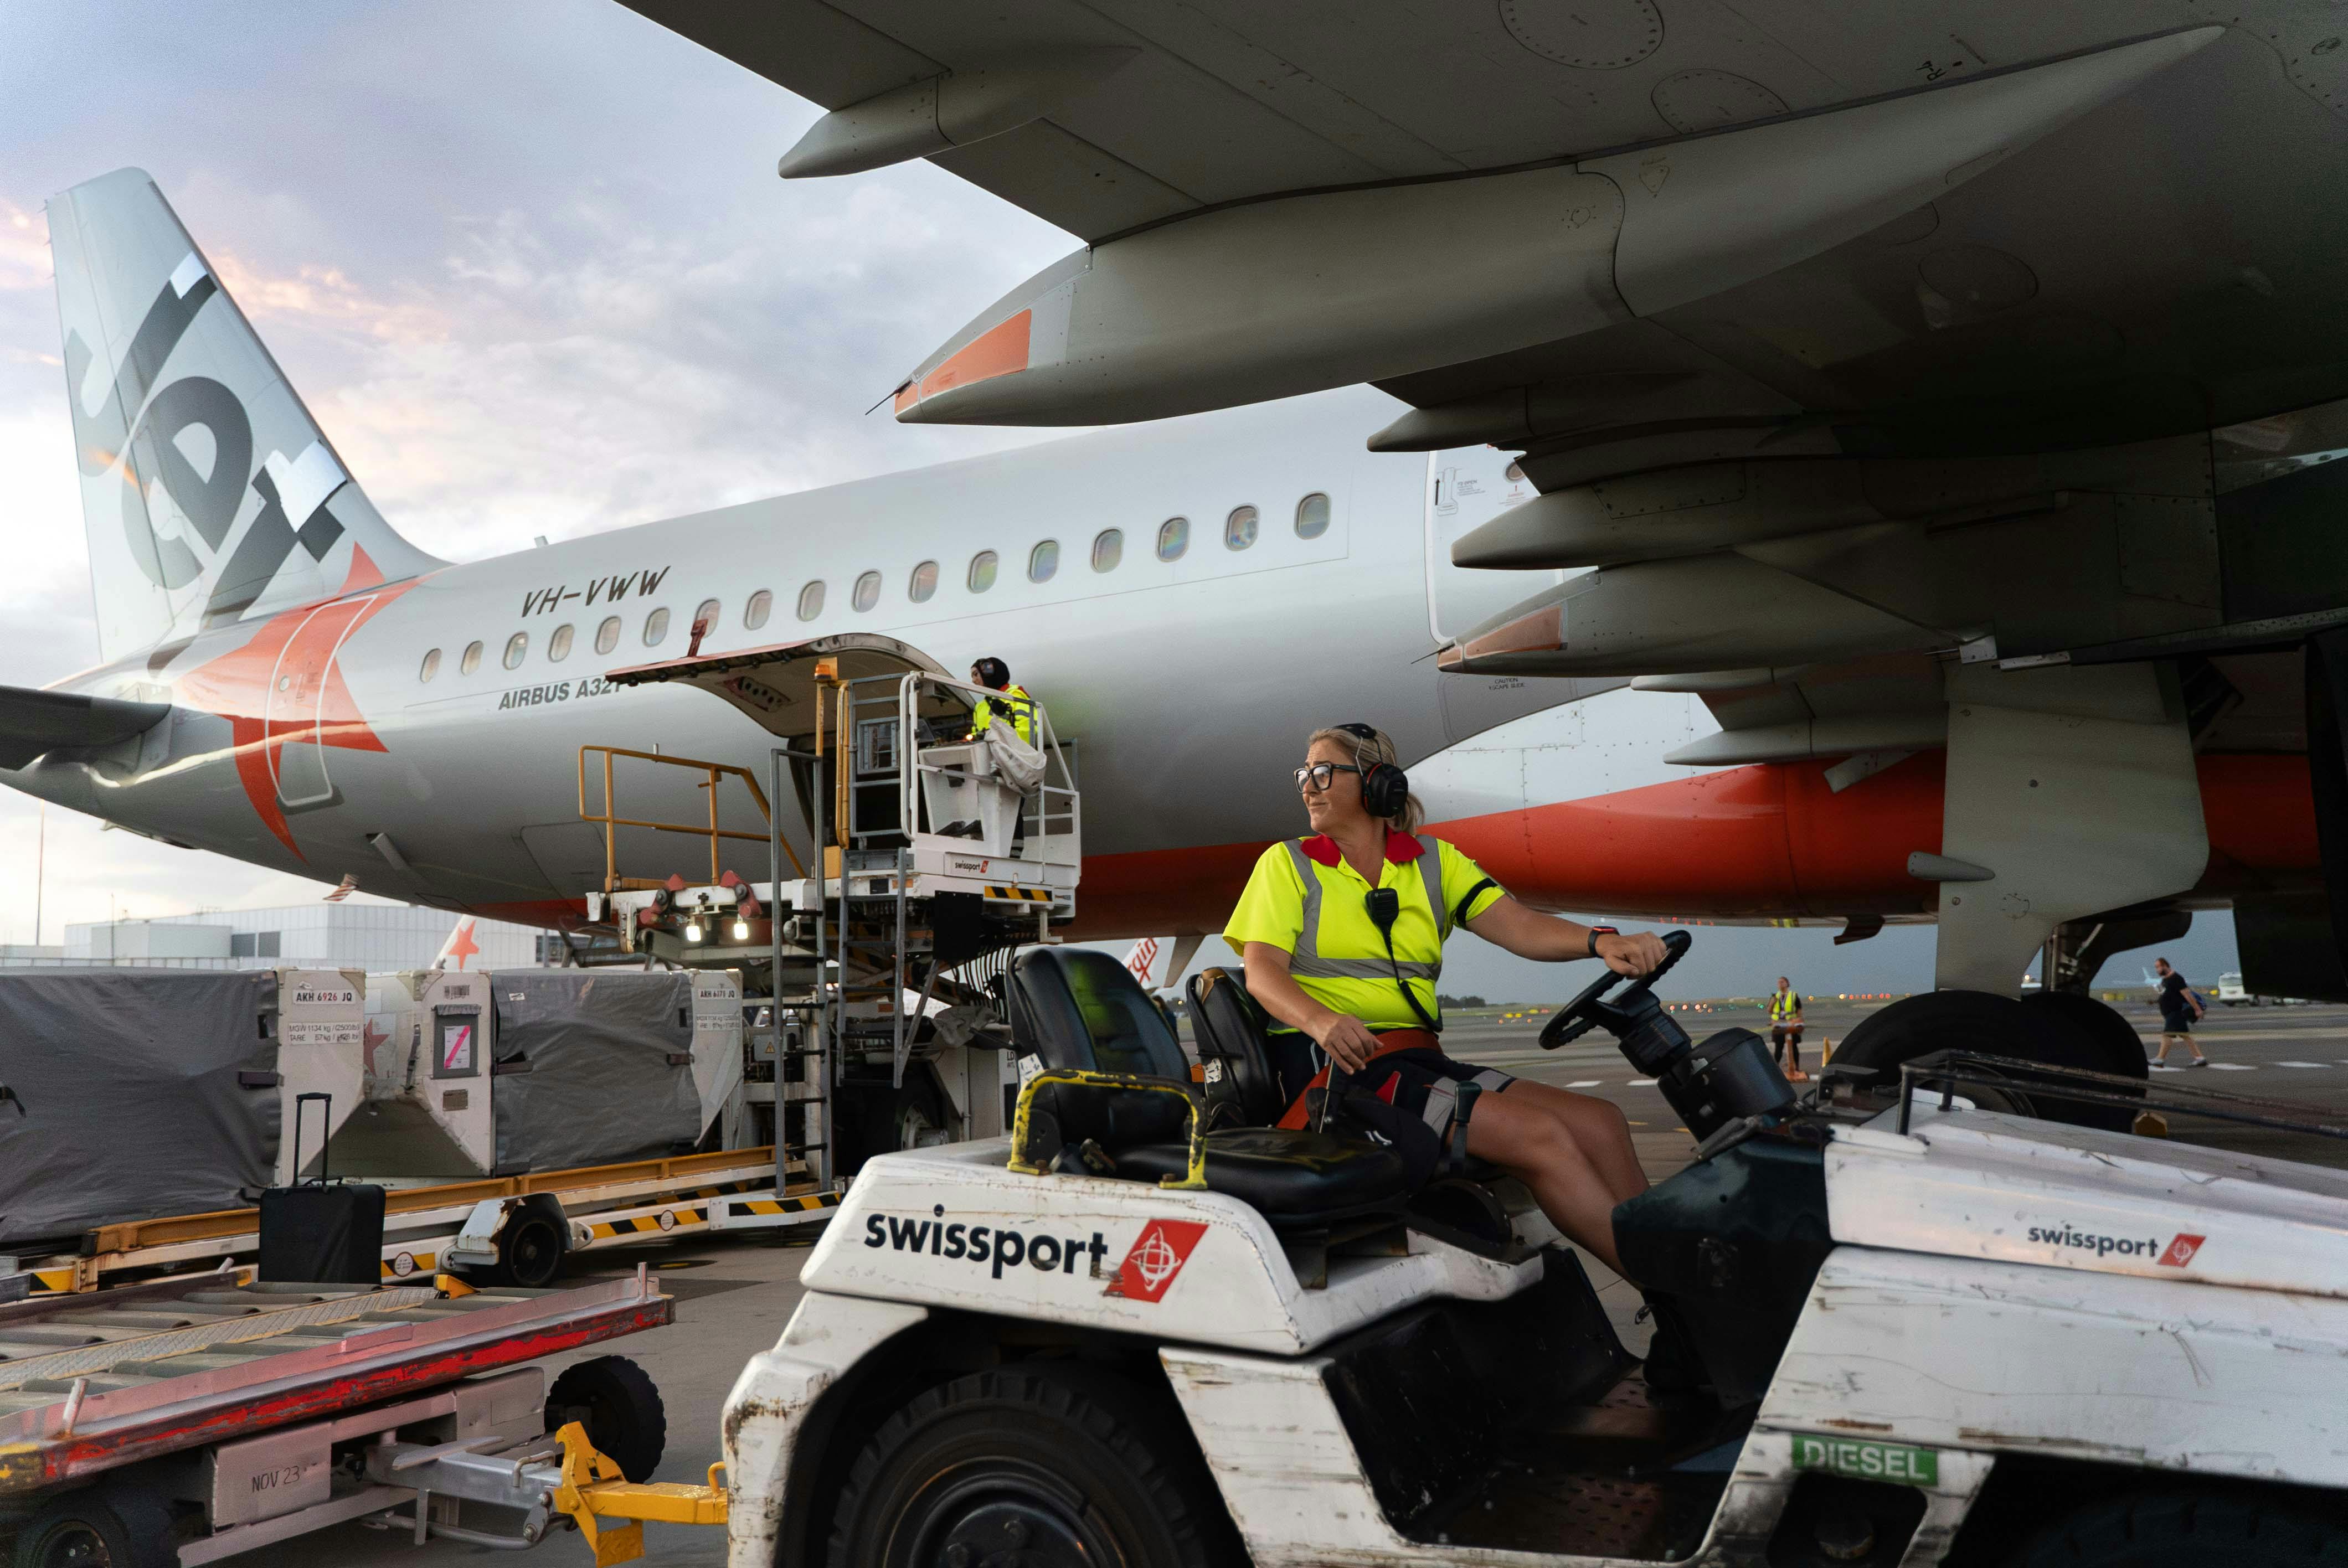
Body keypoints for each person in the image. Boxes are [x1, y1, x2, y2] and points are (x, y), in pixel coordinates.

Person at [1224, 723, 1669, 1277]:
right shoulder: (1287, 864)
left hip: (1414, 1061)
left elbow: (1521, 927)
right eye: (1303, 775)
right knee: (1542, 1136)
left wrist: (1601, 942)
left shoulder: (1433, 861)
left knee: (1601, 1121)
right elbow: (1262, 974)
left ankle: (1672, 1287)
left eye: (1321, 772)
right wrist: (1321, 1021)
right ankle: (1672, 1290)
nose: (1307, 787)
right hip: (1337, 1071)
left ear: (1375, 784)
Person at [2152, 956, 2207, 1067]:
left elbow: (2187, 994)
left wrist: (2197, 1009)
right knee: (2185, 1036)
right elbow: (2166, 994)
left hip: (2176, 1013)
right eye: (2156, 968)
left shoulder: (2177, 978)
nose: (2157, 970)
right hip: (2170, 1013)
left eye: (2158, 967)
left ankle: (2160, 1059)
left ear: (2165, 966)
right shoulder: (2165, 980)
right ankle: (2200, 1058)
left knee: (2167, 1035)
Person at [965, 657, 1034, 745]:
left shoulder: (1015, 696)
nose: (974, 681)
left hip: (1014, 755)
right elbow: (976, 735)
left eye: (976, 674)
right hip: (990, 757)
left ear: (990, 674)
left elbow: (1026, 730)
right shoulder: (979, 706)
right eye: (972, 677)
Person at [1767, 977, 1807, 1081]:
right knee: (1778, 1048)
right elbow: (1770, 1010)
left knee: (1794, 1047)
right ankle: (1775, 1069)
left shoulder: (1793, 995)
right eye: (1778, 982)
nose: (1780, 984)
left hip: (1791, 1024)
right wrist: (1772, 1002)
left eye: (1782, 982)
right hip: (1779, 1025)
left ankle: (1796, 1068)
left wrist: (1799, 1021)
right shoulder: (1776, 996)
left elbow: (1799, 1010)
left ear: (1787, 984)